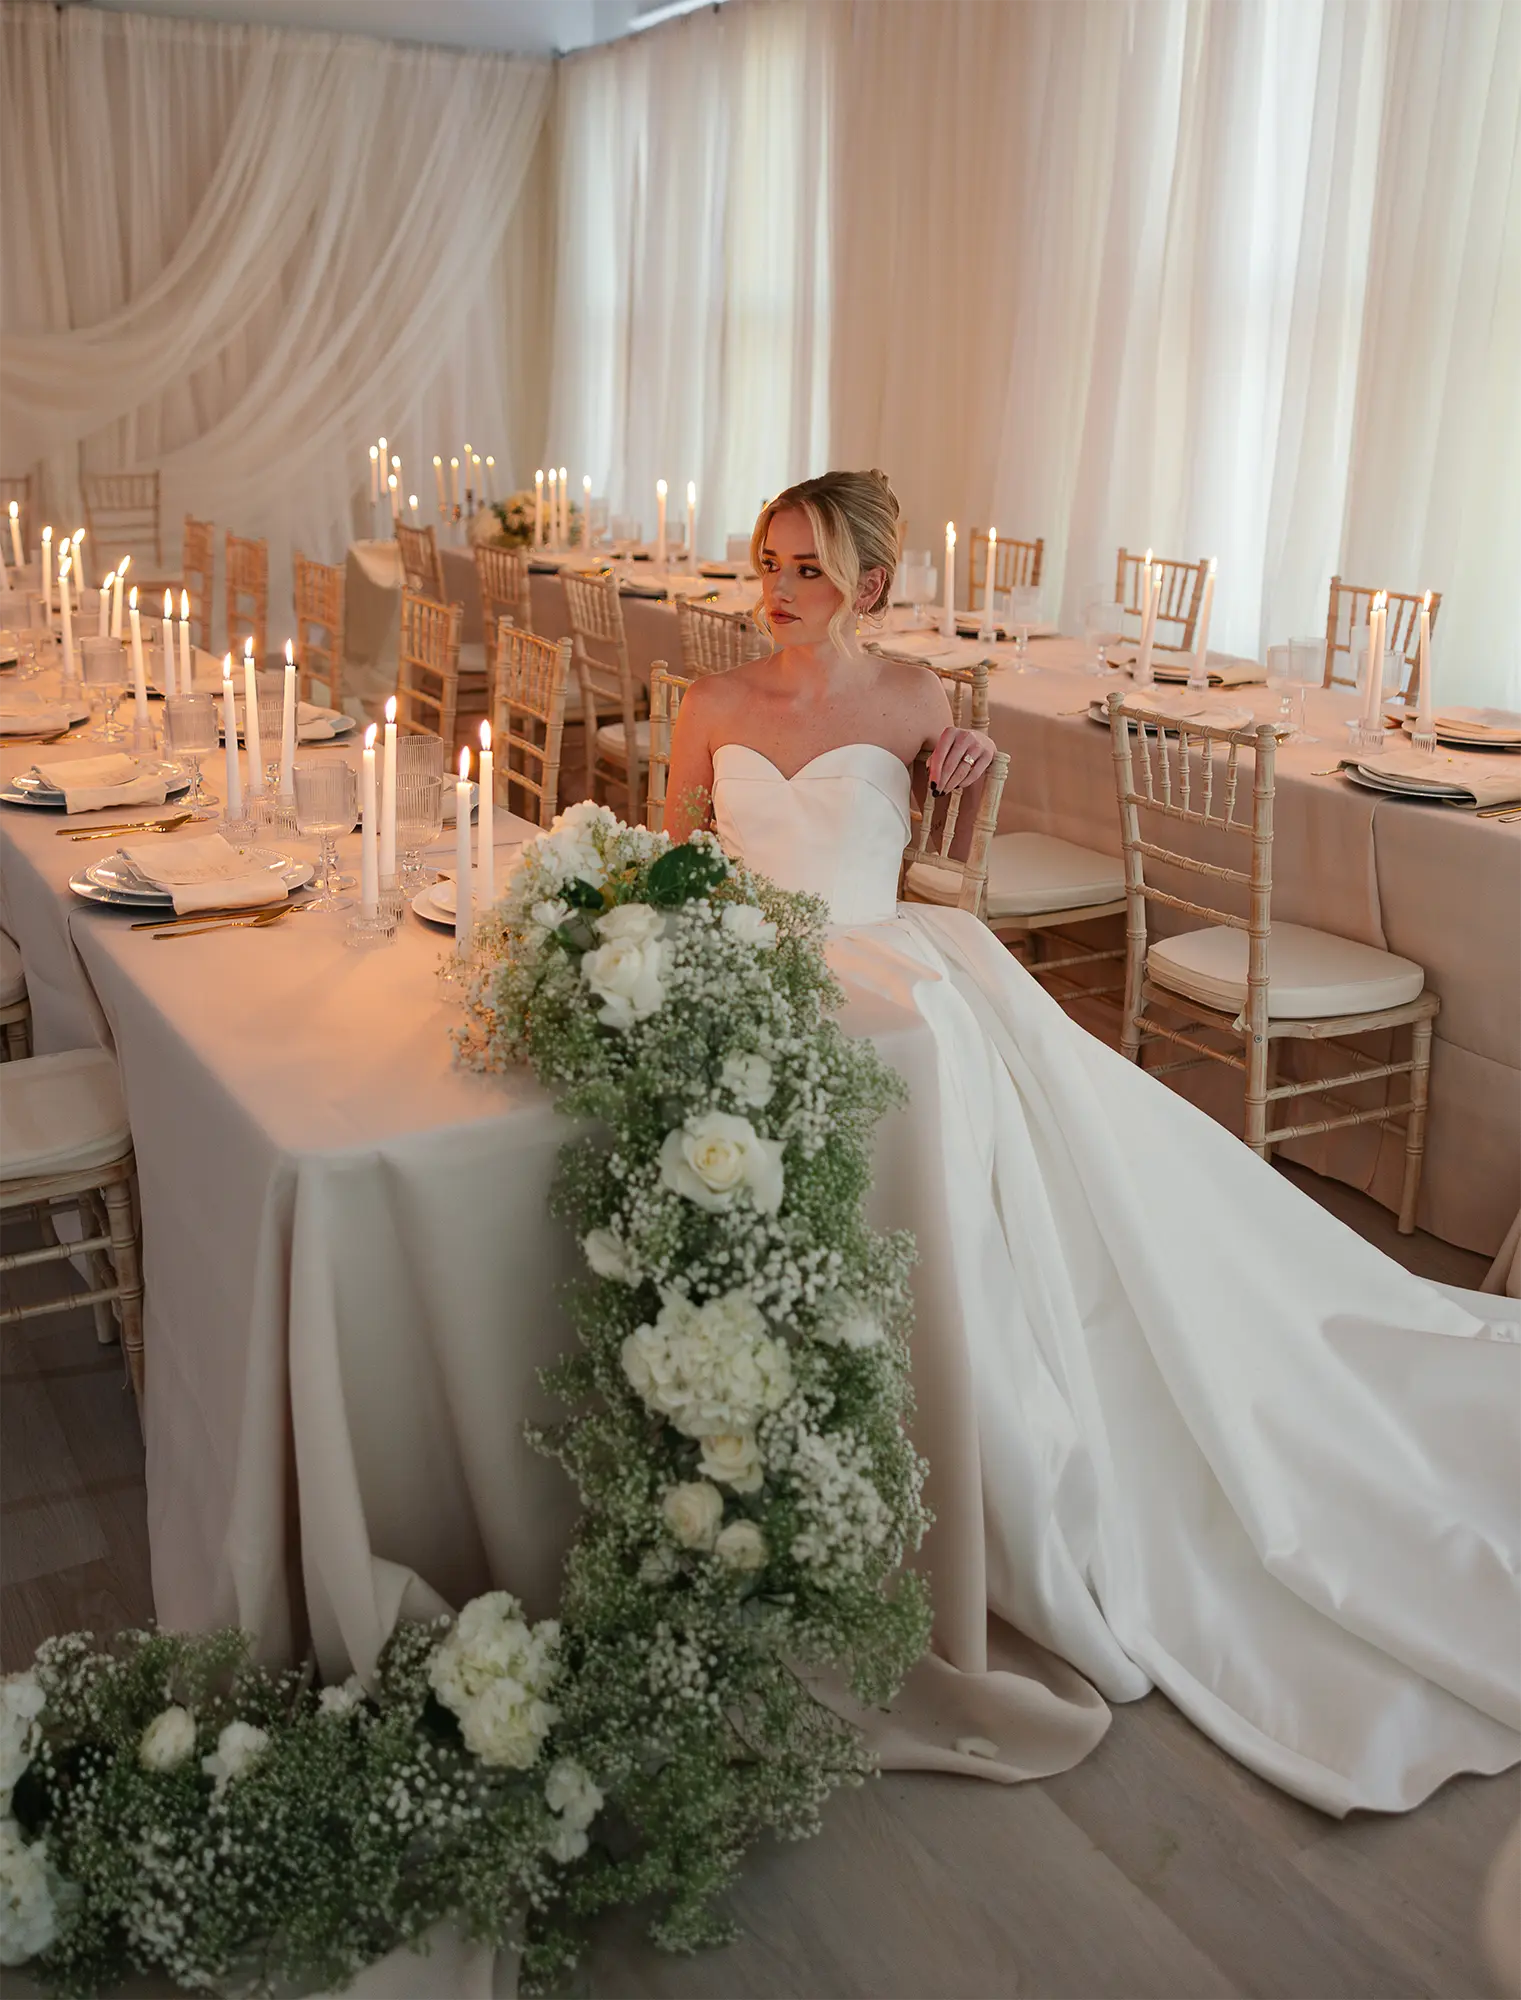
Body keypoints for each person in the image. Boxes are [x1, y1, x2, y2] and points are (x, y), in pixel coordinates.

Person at [663, 468, 1521, 1815]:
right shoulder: (707, 704)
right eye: (767, 562)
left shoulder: (911, 699)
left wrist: (965, 782)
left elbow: (924, 862)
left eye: (810, 569)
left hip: (893, 972)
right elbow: (674, 863)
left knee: (962, 1170)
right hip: (753, 982)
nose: (776, 592)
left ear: (873, 586)